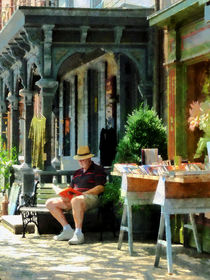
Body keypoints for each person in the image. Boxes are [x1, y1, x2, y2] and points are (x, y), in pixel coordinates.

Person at [45, 145, 106, 245]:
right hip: (75, 198)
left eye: (83, 160)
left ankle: (78, 233)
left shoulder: (97, 169)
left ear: (89, 158)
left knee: (76, 200)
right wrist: (65, 194)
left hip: (90, 197)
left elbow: (100, 188)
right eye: (79, 160)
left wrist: (83, 194)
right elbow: (71, 188)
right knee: (50, 203)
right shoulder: (77, 173)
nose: (80, 162)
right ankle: (67, 229)